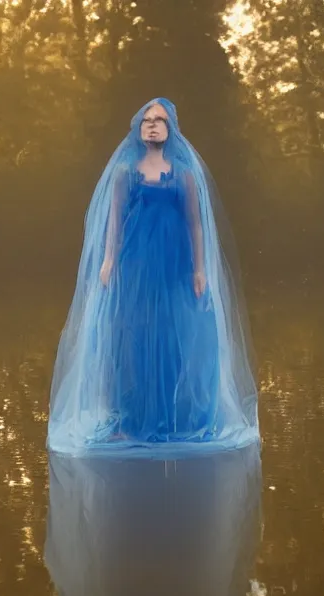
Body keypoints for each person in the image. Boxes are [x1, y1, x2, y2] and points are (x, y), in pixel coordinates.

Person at [47, 98, 258, 458]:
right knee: (134, 336)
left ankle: (176, 417)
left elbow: (195, 223)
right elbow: (115, 220)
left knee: (175, 334)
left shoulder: (184, 174)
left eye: (160, 120)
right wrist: (109, 260)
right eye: (147, 120)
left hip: (173, 264)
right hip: (136, 263)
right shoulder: (124, 173)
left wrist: (199, 267)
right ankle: (131, 418)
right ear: (138, 128)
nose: (153, 125)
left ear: (171, 128)